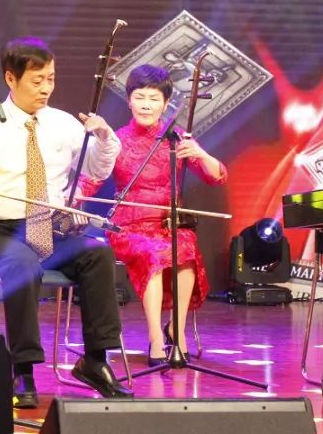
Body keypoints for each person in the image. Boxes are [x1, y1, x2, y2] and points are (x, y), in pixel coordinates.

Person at [0, 37, 132, 408]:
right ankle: (22, 367)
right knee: (22, 264)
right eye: (37, 80)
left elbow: (96, 168)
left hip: (50, 228)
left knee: (98, 254)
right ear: (10, 78)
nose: (46, 88)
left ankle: (95, 359)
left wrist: (105, 138)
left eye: (51, 79)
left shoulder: (63, 124)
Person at [85, 64, 225, 365]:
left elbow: (216, 177)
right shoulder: (116, 140)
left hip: (167, 223)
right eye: (139, 97)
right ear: (129, 100)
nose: (146, 105)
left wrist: (200, 153)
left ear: (166, 103)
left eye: (153, 98)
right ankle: (155, 339)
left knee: (185, 249)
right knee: (154, 253)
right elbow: (91, 179)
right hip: (128, 227)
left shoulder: (177, 137)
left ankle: (177, 329)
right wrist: (69, 199)